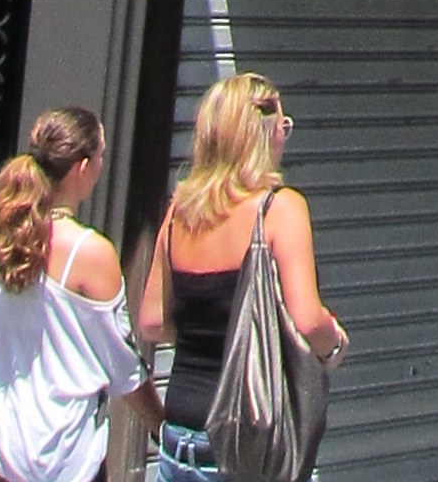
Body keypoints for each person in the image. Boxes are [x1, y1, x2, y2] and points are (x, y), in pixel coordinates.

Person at [136, 72, 349, 482]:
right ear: (262, 134)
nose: (284, 137)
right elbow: (308, 320)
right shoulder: (279, 209)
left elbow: (152, 321)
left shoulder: (180, 211)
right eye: (283, 126)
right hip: (245, 441)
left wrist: (205, 329)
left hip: (179, 437)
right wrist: (334, 344)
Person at [0, 107, 161, 482]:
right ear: (83, 167)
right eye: (101, 155)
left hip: (1, 453)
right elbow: (123, 366)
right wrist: (163, 425)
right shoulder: (91, 252)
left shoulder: (8, 240)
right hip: (66, 459)